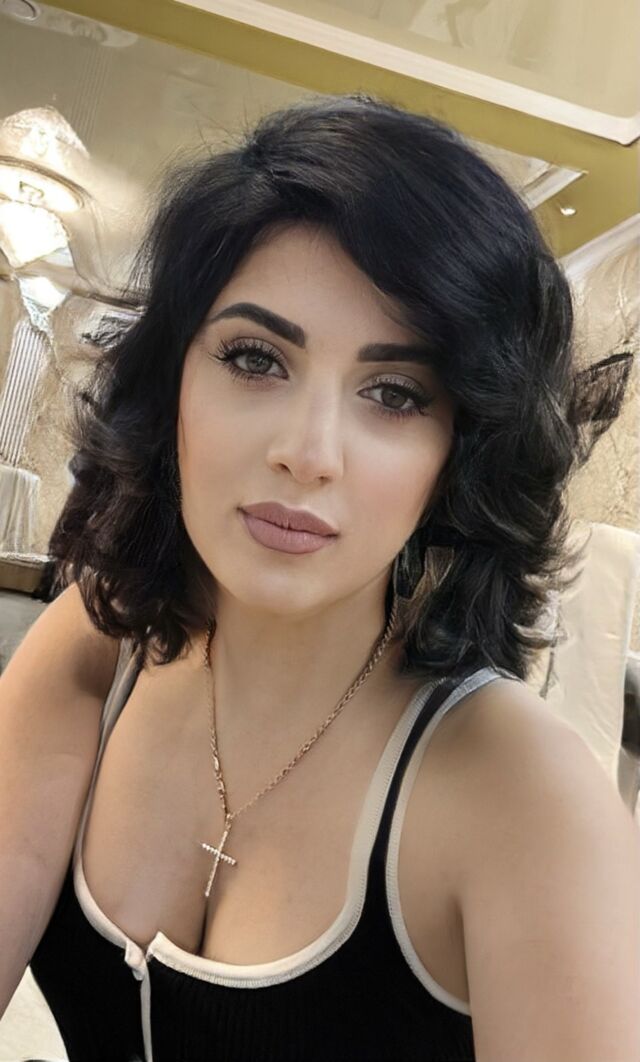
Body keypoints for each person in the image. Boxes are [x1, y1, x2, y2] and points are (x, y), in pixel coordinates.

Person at [1, 92, 638, 1062]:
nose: (308, 453)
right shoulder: (97, 646)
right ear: (174, 381)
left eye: (394, 394)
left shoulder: (521, 794)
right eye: (256, 359)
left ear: (460, 449)